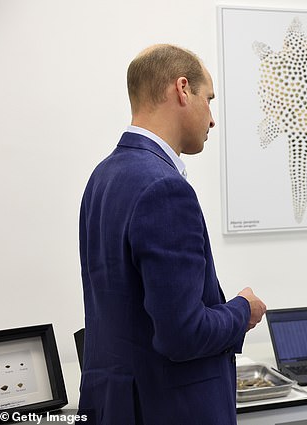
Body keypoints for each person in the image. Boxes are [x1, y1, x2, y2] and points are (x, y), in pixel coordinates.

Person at [78, 44, 267, 425]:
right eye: (209, 100)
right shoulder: (164, 188)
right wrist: (244, 310)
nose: (212, 119)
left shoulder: (102, 176)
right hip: (167, 408)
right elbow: (183, 334)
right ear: (183, 89)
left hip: (114, 403)